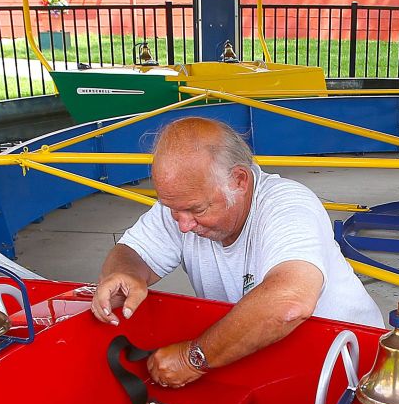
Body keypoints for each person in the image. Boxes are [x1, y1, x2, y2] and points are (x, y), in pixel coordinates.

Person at [91, 116, 383, 388]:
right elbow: (132, 250)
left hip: (352, 364)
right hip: (266, 352)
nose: (182, 225)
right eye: (172, 210)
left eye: (197, 210)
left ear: (239, 181)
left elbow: (289, 302)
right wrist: (124, 274)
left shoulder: (288, 205)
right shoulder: (183, 205)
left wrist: (193, 358)